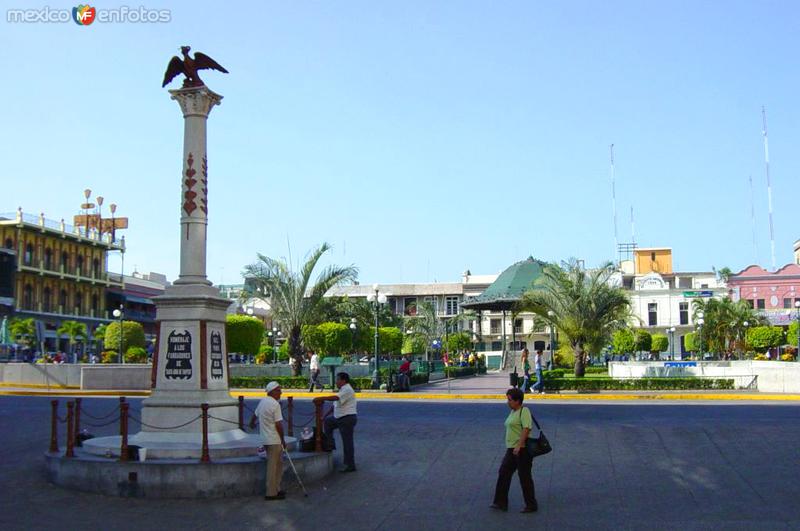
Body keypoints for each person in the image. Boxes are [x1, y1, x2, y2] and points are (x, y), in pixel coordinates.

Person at [491, 387, 538, 513]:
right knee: (503, 473)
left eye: (510, 400)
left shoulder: (524, 411)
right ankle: (500, 502)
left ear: (518, 401)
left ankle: (531, 505)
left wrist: (519, 445)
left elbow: (526, 429)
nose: (508, 402)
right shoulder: (513, 411)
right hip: (512, 449)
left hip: (522, 450)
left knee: (524, 477)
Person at [249, 381, 287, 500]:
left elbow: (254, 415)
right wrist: (282, 439)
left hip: (266, 439)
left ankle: (276, 488)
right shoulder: (275, 405)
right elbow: (278, 425)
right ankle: (271, 493)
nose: (280, 392)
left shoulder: (263, 402)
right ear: (272, 391)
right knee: (273, 467)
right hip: (274, 440)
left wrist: (251, 423)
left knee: (278, 465)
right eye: (278, 390)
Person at [314, 372, 358, 472]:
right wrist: (324, 416)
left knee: (347, 442)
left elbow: (336, 398)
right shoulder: (342, 390)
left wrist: (322, 398)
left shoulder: (347, 389)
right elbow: (334, 405)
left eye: (338, 379)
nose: (336, 382)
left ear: (343, 381)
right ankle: (330, 444)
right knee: (328, 422)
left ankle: (350, 465)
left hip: (347, 418)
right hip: (339, 417)